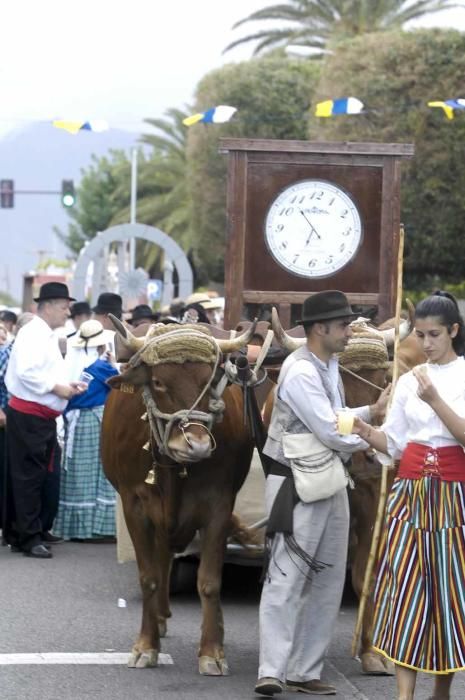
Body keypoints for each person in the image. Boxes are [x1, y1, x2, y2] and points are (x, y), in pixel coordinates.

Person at [255, 290, 390, 697]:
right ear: (320, 329)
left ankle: (304, 669)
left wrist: (370, 412)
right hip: (295, 483)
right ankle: (272, 670)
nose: (350, 331)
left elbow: (334, 418)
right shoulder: (299, 372)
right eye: (344, 325)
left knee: (329, 578)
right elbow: (330, 430)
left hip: (329, 479)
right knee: (286, 575)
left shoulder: (326, 364)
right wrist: (373, 436)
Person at [351, 291, 465, 700]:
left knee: (447, 592)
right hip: (408, 493)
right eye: (420, 334)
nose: (426, 343)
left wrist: (434, 399)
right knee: (405, 588)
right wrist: (367, 433)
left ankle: (441, 691)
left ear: (453, 331)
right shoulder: (404, 382)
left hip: (454, 496)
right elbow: (395, 444)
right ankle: (404, 695)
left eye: (434, 334)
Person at [5, 282, 87, 559]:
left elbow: (43, 372)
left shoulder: (45, 334)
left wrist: (67, 385)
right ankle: (28, 536)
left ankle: (24, 531)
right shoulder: (33, 332)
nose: (67, 313)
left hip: (40, 416)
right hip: (30, 415)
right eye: (64, 307)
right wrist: (57, 388)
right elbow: (27, 372)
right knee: (30, 477)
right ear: (49, 306)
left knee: (37, 475)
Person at [53, 319, 119, 541]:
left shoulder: (71, 363)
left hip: (76, 419)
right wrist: (114, 363)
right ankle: (101, 526)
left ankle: (76, 527)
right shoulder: (103, 367)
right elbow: (121, 385)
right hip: (97, 418)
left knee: (79, 471)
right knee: (101, 471)